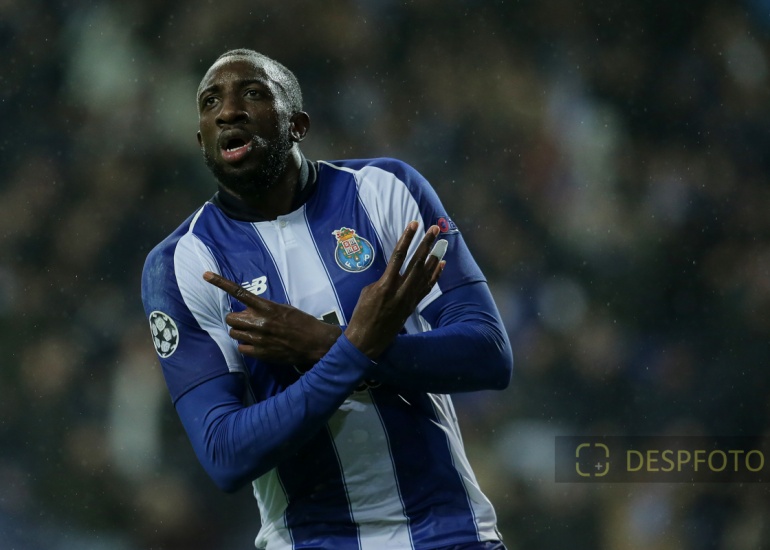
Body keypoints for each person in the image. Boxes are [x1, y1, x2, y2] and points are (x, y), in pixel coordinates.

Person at [141, 48, 513, 550]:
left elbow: (489, 354)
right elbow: (225, 454)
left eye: (252, 93)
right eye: (211, 102)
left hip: (450, 534)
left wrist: (323, 343)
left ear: (297, 125)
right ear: (202, 142)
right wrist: (351, 349)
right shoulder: (181, 263)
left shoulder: (385, 191)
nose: (228, 111)